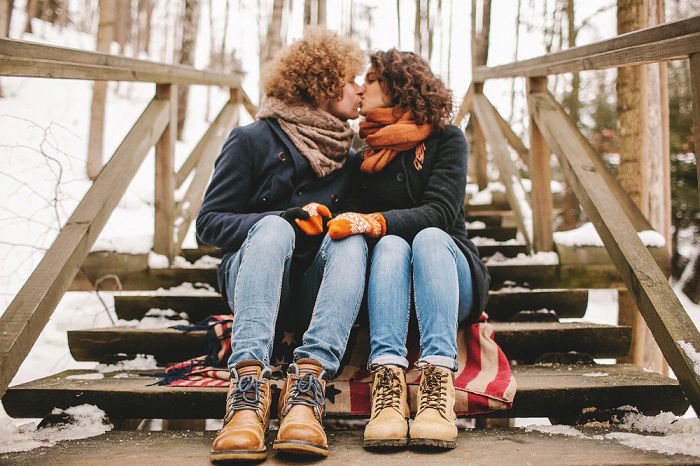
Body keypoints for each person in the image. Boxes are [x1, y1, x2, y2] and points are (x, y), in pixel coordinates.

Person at [196, 28, 366, 461]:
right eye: (351, 79)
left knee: (350, 239)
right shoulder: (253, 138)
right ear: (323, 83)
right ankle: (248, 394)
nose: (359, 89)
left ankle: (307, 389)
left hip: (316, 296)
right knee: (274, 230)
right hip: (254, 278)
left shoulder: (352, 156)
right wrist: (284, 220)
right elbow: (209, 224)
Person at [327, 49, 490, 449]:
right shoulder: (363, 155)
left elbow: (440, 211)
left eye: (371, 78)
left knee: (429, 235)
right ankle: (388, 383)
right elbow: (342, 212)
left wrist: (373, 221)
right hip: (389, 280)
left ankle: (437, 381)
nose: (361, 87)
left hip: (450, 273)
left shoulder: (446, 140)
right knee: (392, 244)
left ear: (397, 85)